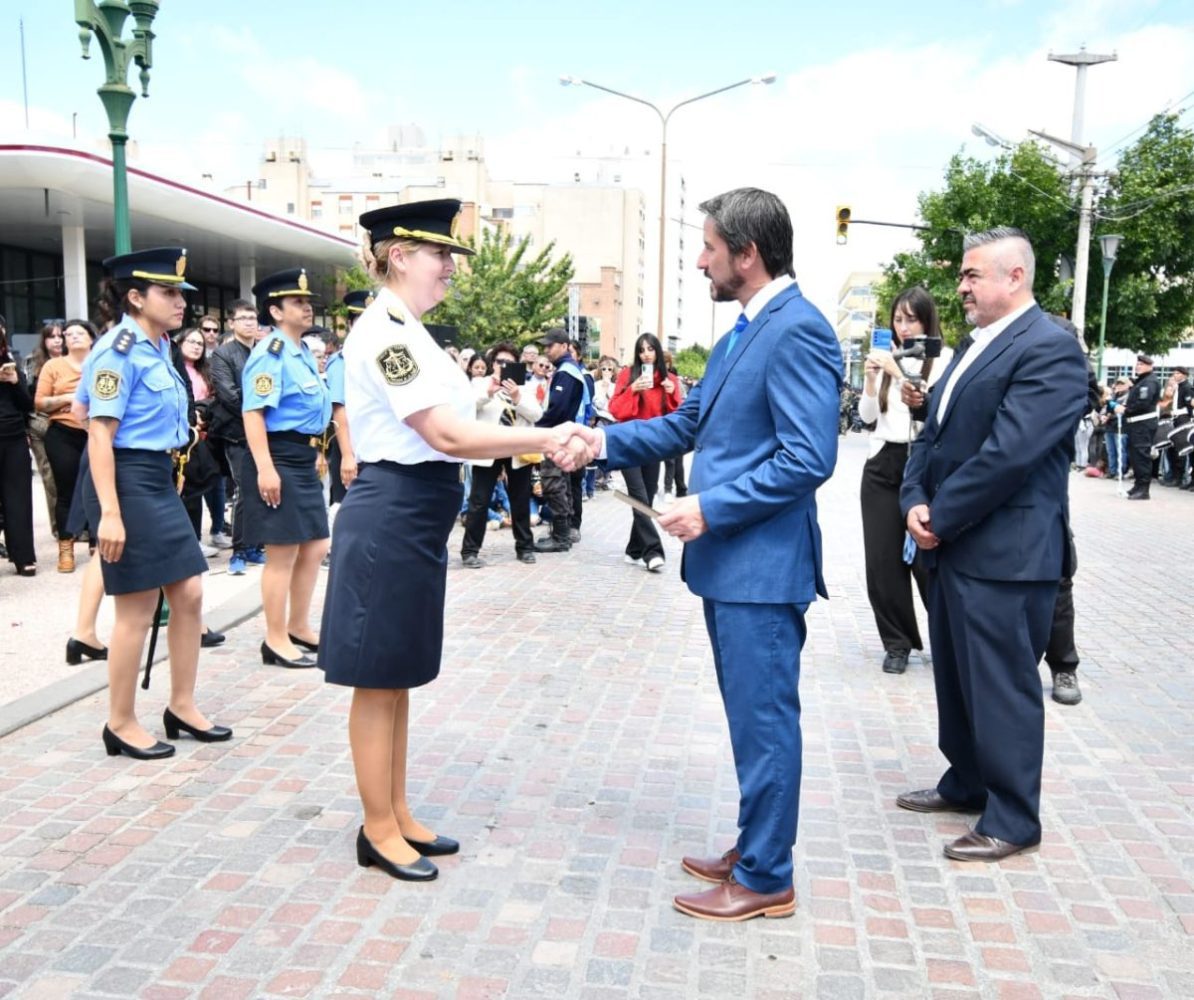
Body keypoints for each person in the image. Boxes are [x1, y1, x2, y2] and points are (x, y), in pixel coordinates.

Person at [561, 187, 842, 921]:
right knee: (750, 720)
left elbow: (808, 458)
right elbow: (689, 422)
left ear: (747, 254)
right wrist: (602, 441)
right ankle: (756, 846)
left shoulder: (798, 330)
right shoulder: (744, 332)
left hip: (762, 567)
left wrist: (711, 506)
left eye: (710, 247)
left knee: (766, 722)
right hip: (735, 568)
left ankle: (765, 877)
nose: (699, 260)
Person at [319, 198, 575, 883]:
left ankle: (396, 810)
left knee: (398, 670)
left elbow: (460, 418)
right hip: (392, 511)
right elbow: (446, 435)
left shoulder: (412, 331)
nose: (451, 270)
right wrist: (545, 437)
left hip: (416, 514)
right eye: (441, 257)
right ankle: (376, 828)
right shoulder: (387, 334)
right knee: (377, 679)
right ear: (398, 256)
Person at [897, 227, 1087, 861]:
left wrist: (940, 514)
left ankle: (1011, 817)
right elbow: (933, 434)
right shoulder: (970, 348)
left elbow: (1010, 454)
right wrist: (912, 499)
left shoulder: (1051, 348)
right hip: (952, 540)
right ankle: (967, 780)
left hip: (1007, 552)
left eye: (973, 274)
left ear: (1015, 277)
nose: (961, 286)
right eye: (962, 274)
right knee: (956, 675)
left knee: (1001, 685)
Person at [77, 247, 231, 759]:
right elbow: (98, 433)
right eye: (168, 292)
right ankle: (119, 722)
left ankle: (181, 706)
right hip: (127, 481)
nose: (180, 301)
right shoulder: (118, 349)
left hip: (158, 478)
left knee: (187, 593)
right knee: (138, 607)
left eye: (181, 293)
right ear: (136, 297)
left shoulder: (157, 344)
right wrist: (111, 513)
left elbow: (82, 407)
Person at [241, 268, 332, 669]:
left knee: (314, 545)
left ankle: (297, 625)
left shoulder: (300, 352)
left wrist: (315, 450)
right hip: (277, 457)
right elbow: (254, 413)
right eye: (297, 302)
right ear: (275, 311)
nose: (307, 306)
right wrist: (265, 468)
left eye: (307, 300)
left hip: (301, 456)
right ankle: (275, 639)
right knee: (282, 553)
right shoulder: (270, 353)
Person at [858, 288, 944, 675]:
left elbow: (930, 407)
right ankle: (897, 642)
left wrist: (897, 370)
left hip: (923, 465)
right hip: (883, 462)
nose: (904, 327)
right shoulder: (885, 358)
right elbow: (868, 416)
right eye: (898, 319)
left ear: (927, 321)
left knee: (929, 559)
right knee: (882, 561)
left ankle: (947, 637)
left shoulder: (943, 361)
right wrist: (873, 381)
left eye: (912, 319)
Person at [461, 342, 542, 568]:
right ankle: (470, 551)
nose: (503, 366)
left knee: (520, 499)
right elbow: (467, 408)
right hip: (489, 447)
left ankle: (525, 547)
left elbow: (536, 414)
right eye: (499, 362)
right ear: (492, 364)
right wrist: (488, 393)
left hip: (517, 448)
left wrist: (517, 396)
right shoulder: (480, 383)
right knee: (479, 499)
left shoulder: (524, 388)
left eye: (509, 363)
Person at [608, 332, 683, 572]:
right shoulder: (627, 375)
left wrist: (672, 392)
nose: (646, 354)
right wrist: (633, 390)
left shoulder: (668, 379)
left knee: (646, 497)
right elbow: (615, 410)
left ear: (658, 352)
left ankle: (634, 549)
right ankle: (652, 551)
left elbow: (679, 416)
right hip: (628, 441)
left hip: (653, 444)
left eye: (650, 349)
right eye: (641, 350)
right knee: (639, 497)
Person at [36, 318, 99, 572]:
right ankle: (66, 547)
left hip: (97, 432)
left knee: (98, 489)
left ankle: (98, 544)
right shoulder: (54, 365)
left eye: (78, 333)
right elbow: (40, 402)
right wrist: (68, 398)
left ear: (91, 338)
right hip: (62, 433)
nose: (72, 337)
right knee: (66, 491)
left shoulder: (101, 362)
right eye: (68, 334)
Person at [209, 299, 265, 574]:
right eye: (243, 318)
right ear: (231, 323)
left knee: (263, 488)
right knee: (245, 489)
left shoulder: (264, 352)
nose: (249, 323)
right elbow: (228, 394)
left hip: (266, 431)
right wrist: (260, 406)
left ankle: (256, 545)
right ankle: (239, 550)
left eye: (252, 319)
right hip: (236, 433)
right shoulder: (223, 354)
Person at [533, 329, 589, 553]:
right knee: (561, 485)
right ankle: (561, 534)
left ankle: (561, 536)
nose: (546, 350)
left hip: (557, 437)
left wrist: (537, 428)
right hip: (563, 437)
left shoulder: (566, 372)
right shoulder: (568, 371)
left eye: (550, 345)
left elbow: (558, 409)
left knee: (554, 484)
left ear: (564, 346)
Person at [324, 290, 372, 509]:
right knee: (347, 508)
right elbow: (339, 410)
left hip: (374, 446)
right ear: (352, 324)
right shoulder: (341, 361)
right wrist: (347, 456)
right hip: (350, 445)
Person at [0, 314, 37, 576]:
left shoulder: (11, 363)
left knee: (19, 499)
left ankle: (23, 556)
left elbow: (28, 405)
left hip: (13, 437)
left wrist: (15, 383)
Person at [25, 321, 66, 530]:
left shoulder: (75, 361)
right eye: (52, 336)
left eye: (60, 335)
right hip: (41, 423)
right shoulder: (33, 363)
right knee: (50, 476)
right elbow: (27, 397)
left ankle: (79, 526)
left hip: (71, 422)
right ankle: (59, 527)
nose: (57, 340)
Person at [1122, 354, 1159, 500]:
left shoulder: (1149, 382)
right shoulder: (1142, 381)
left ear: (1150, 366)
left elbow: (1143, 404)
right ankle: (1138, 485)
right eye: (1137, 364)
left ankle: (1144, 489)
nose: (1138, 366)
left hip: (1143, 424)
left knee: (1141, 456)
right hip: (1136, 423)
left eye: (1142, 364)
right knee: (1135, 457)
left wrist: (1125, 410)